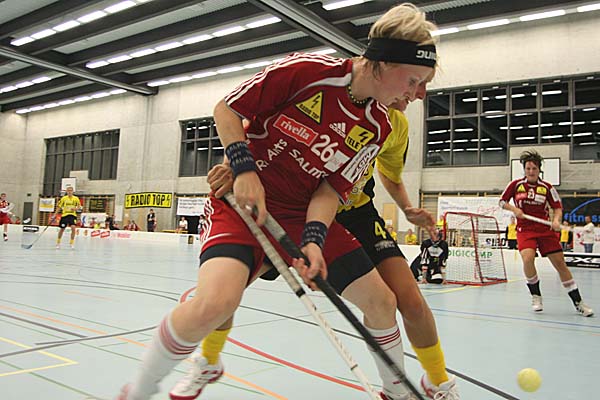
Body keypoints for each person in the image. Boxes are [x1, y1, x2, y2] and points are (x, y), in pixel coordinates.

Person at [117, 4, 437, 400]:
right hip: (242, 206)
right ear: (383, 63)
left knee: (381, 300)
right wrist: (243, 168)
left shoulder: (379, 126)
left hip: (300, 215)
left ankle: (396, 392)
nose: (416, 93)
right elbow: (227, 109)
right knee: (215, 304)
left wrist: (315, 241)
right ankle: (140, 389)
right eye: (413, 80)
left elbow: (330, 191)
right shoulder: (307, 71)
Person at [500, 150, 593, 317]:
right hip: (525, 229)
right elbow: (502, 202)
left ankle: (578, 302)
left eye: (534, 168)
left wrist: (556, 220)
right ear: (524, 169)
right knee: (528, 258)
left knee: (560, 264)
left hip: (544, 229)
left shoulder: (547, 187)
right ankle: (536, 295)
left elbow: (557, 208)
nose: (531, 171)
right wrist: (514, 209)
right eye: (528, 168)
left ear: (539, 170)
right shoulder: (515, 185)